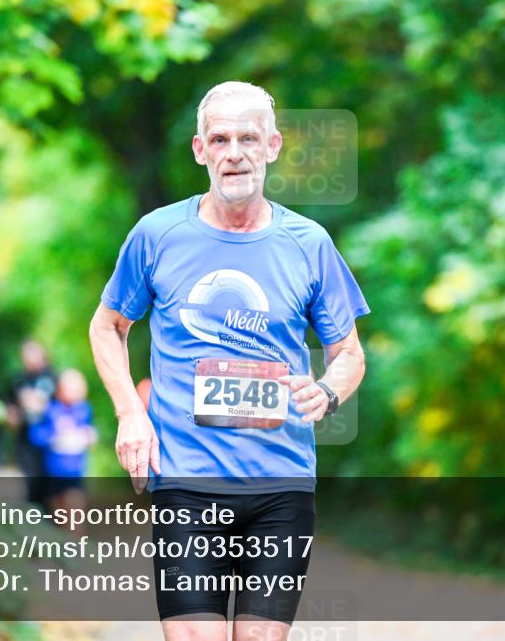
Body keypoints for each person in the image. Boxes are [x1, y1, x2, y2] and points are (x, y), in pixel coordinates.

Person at [89, 81, 368, 641]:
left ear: (273, 146)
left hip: (281, 485)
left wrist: (329, 390)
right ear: (200, 150)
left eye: (248, 137)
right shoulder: (157, 235)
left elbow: (349, 355)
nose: (234, 151)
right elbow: (108, 326)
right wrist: (129, 413)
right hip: (186, 484)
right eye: (220, 138)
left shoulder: (308, 243)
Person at [29, 369, 96, 527]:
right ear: (60, 389)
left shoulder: (85, 409)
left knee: (75, 512)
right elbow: (35, 435)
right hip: (53, 471)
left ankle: (76, 546)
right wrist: (54, 438)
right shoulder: (49, 410)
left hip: (76, 470)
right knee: (58, 517)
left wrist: (89, 435)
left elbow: (89, 430)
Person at [9, 340, 58, 506]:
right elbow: (12, 407)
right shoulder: (19, 379)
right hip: (26, 436)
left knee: (50, 480)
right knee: (31, 477)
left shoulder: (52, 377)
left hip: (50, 436)